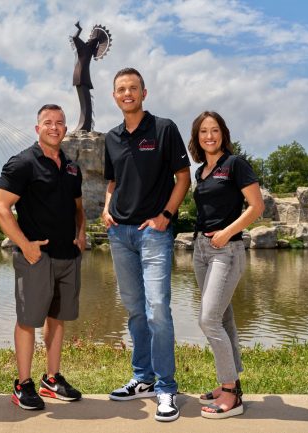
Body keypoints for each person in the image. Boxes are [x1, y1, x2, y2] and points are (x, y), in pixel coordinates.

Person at [102, 67, 191, 422]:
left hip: (153, 232)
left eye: (133, 88)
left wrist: (165, 216)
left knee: (157, 309)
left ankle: (167, 387)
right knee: (135, 310)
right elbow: (112, 182)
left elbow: (183, 178)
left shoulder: (164, 128)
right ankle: (143, 379)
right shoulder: (111, 137)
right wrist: (106, 209)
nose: (127, 93)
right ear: (114, 96)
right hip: (119, 234)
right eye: (121, 89)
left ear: (144, 93)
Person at [0, 104, 86, 411]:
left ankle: (52, 379)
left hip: (68, 257)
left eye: (60, 122)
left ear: (65, 129)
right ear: (37, 128)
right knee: (28, 320)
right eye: (48, 122)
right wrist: (24, 245)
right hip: (36, 258)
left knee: (57, 318)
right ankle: (23, 384)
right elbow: (0, 207)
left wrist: (82, 232)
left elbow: (78, 206)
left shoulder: (71, 167)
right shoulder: (22, 163)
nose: (54, 127)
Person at [187, 111, 264, 419]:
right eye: (203, 131)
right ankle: (232, 382)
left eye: (215, 130)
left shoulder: (235, 165)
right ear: (197, 137)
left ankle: (230, 393)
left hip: (226, 250)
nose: (209, 136)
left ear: (223, 134)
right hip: (201, 251)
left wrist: (227, 233)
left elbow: (256, 206)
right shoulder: (201, 172)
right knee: (224, 318)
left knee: (208, 320)